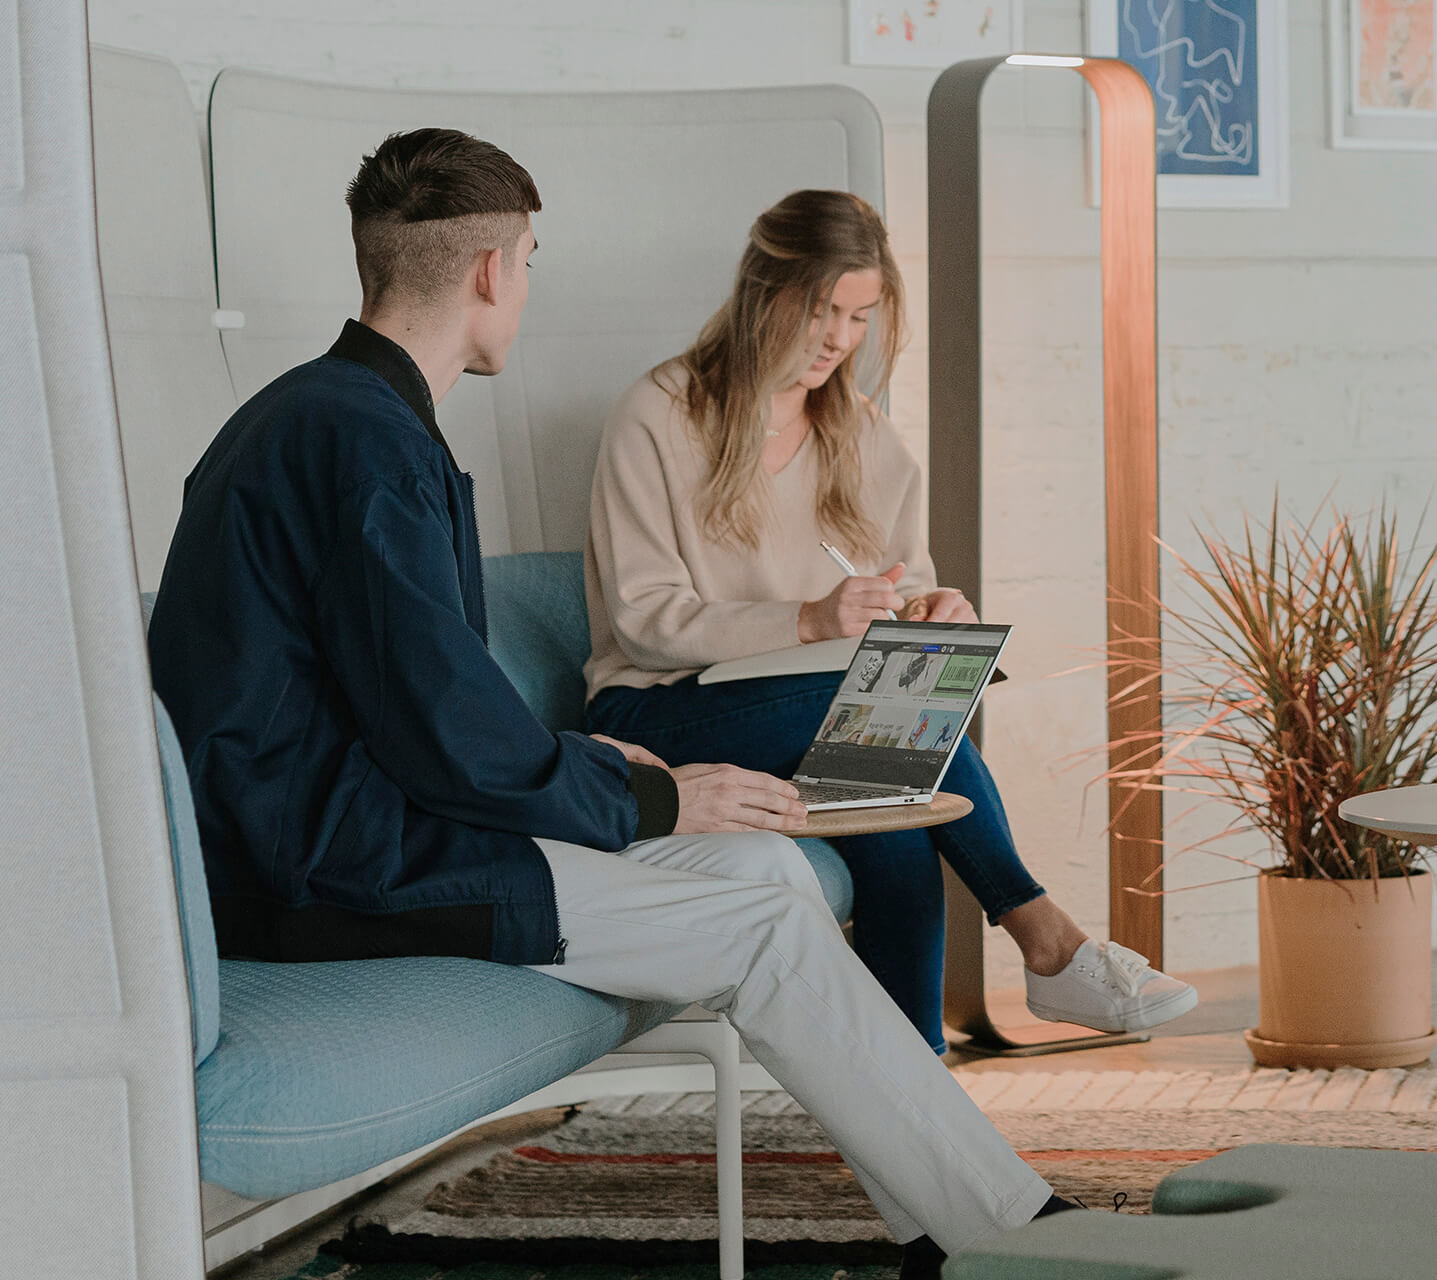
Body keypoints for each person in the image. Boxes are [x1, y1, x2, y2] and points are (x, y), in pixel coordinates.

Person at [147, 129, 1065, 1272]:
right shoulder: (362, 443)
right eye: (529, 259)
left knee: (767, 865)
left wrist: (619, 773)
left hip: (362, 825)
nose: (526, 283)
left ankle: (947, 1220)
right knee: (763, 910)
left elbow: (411, 704)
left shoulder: (331, 417)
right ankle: (1009, 1237)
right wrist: (652, 792)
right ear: (492, 270)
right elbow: (441, 732)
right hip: (336, 869)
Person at [578, 189, 1195, 1048]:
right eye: (822, 309)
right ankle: (1045, 938)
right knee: (877, 713)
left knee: (894, 810)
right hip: (659, 708)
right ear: (765, 291)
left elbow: (906, 587)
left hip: (815, 714)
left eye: (861, 316)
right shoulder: (657, 414)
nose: (838, 338)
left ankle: (917, 1081)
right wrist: (805, 620)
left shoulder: (862, 436)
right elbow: (645, 622)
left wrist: (931, 611)